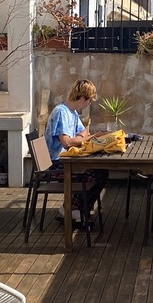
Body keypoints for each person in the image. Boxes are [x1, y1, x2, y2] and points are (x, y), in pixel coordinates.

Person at [44, 79, 108, 226]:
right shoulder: (61, 112)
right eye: (89, 100)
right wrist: (93, 136)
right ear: (81, 98)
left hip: (67, 160)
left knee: (102, 171)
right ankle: (72, 210)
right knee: (95, 174)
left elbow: (84, 131)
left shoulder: (71, 113)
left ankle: (75, 210)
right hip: (55, 164)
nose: (89, 104)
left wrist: (81, 137)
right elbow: (66, 143)